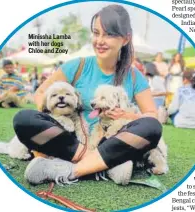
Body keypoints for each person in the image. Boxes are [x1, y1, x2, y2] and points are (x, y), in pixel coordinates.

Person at [13, 5, 162, 186]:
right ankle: (104, 167)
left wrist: (127, 116)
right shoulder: (77, 66)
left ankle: (70, 169)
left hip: (112, 142)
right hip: (72, 142)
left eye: (108, 34)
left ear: (125, 39)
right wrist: (51, 113)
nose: (99, 40)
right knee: (23, 119)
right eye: (96, 33)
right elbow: (41, 93)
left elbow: (151, 116)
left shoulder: (134, 76)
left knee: (152, 127)